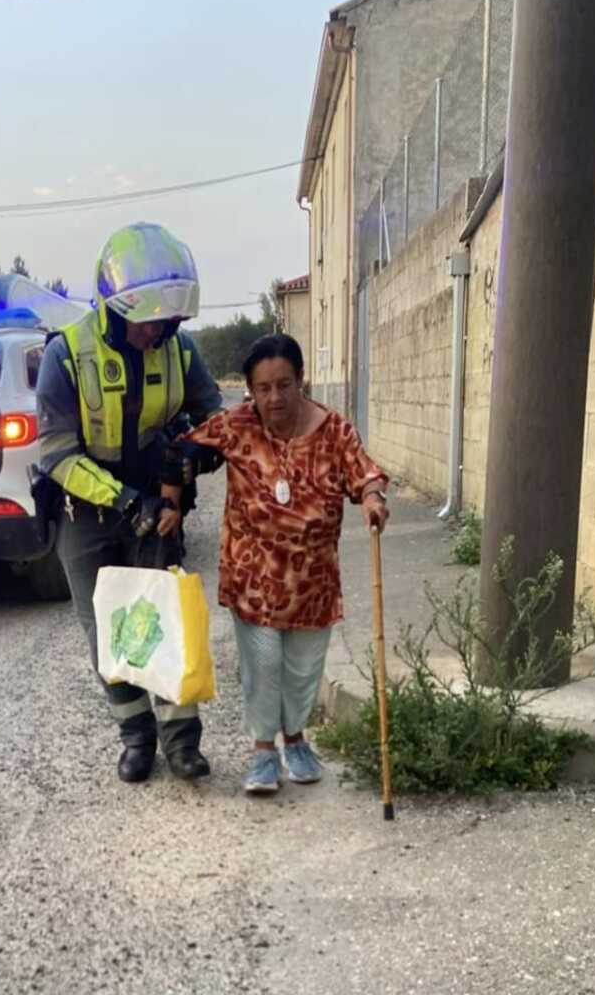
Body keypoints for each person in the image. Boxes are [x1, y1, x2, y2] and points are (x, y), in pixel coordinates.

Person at [36, 223, 223, 784]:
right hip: (86, 511)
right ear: (116, 309)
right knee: (108, 635)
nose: (162, 332)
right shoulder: (65, 355)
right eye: (152, 322)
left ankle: (182, 744)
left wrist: (186, 461)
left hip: (156, 507)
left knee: (163, 622)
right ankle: (136, 739)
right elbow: (57, 455)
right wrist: (126, 502)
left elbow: (218, 420)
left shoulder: (179, 350)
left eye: (170, 321)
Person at [185, 333, 389, 795]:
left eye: (283, 385)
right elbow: (183, 454)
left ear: (301, 380)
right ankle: (261, 751)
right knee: (263, 661)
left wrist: (373, 499)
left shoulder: (334, 430)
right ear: (250, 391)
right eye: (263, 388)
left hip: (312, 579)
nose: (273, 397)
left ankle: (295, 740)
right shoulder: (237, 425)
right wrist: (171, 497)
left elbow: (365, 473)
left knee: (302, 669)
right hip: (252, 575)